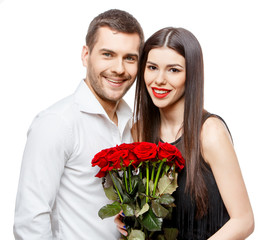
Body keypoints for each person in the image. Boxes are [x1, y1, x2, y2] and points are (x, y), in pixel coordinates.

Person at [13, 9, 144, 240]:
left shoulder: (132, 123)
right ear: (86, 55)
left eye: (129, 58)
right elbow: (31, 221)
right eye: (108, 54)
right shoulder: (57, 123)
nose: (119, 68)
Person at [115, 27, 254, 239]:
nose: (159, 80)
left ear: (191, 75)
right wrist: (129, 216)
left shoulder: (209, 132)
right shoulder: (139, 130)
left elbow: (243, 221)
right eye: (152, 67)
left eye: (174, 70)